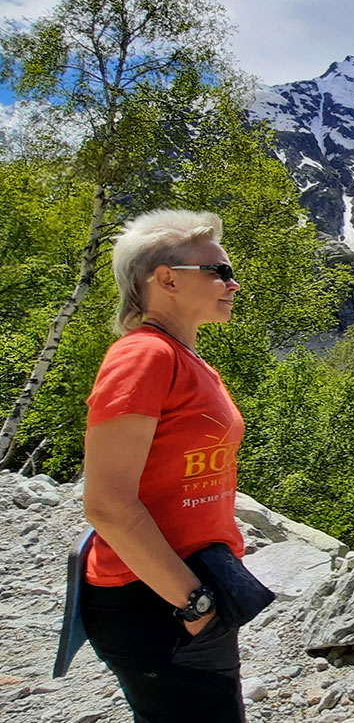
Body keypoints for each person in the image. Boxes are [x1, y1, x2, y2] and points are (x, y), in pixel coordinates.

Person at [81, 209, 246, 722]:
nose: (232, 283)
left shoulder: (189, 359)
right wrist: (194, 603)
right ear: (167, 279)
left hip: (183, 584)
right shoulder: (144, 356)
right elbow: (107, 502)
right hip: (153, 596)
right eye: (218, 271)